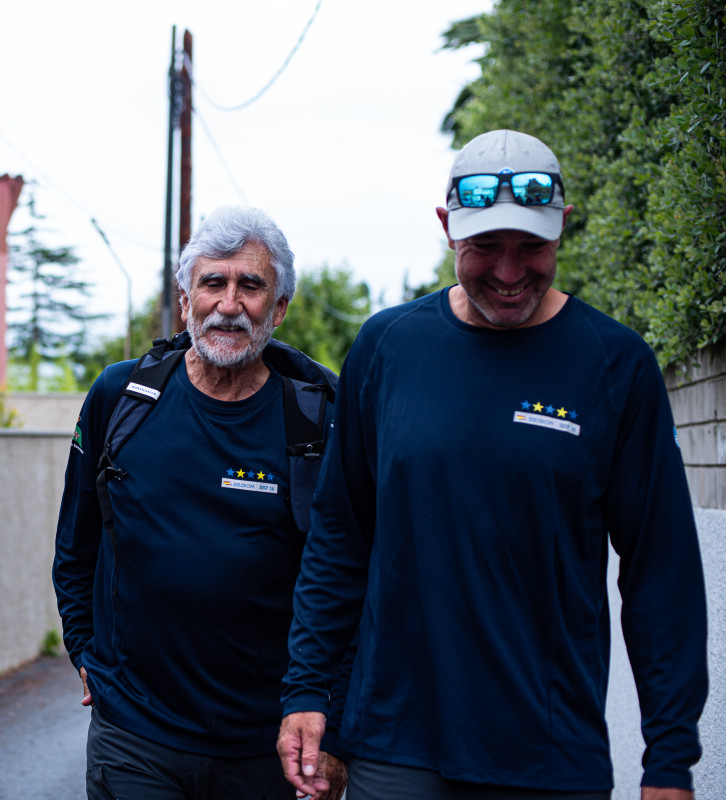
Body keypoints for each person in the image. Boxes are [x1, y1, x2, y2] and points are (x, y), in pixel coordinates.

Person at [277, 129, 708, 800]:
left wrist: (670, 761)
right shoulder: (387, 350)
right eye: (484, 247)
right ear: (448, 228)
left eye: (531, 247)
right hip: (395, 748)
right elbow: (340, 536)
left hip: (550, 757)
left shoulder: (615, 366)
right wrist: (307, 690)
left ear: (563, 228)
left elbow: (662, 574)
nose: (509, 273)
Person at [53, 205, 347, 800]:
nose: (230, 303)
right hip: (134, 736)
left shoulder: (319, 420)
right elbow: (75, 546)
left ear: (280, 307)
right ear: (186, 299)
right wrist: (86, 651)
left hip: (267, 742)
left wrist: (333, 728)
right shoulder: (121, 398)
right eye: (213, 282)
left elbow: (346, 581)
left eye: (251, 286)